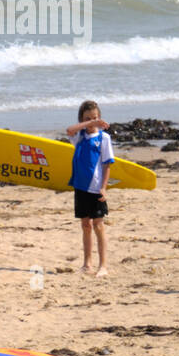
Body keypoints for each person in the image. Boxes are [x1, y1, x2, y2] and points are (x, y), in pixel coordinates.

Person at [65, 100, 114, 276]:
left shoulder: (104, 138)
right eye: (88, 118)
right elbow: (69, 130)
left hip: (96, 189)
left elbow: (107, 164)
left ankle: (103, 266)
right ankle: (87, 264)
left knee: (98, 225)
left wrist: (104, 188)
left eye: (95, 117)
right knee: (85, 225)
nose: (93, 121)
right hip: (80, 187)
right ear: (82, 120)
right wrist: (89, 123)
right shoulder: (79, 137)